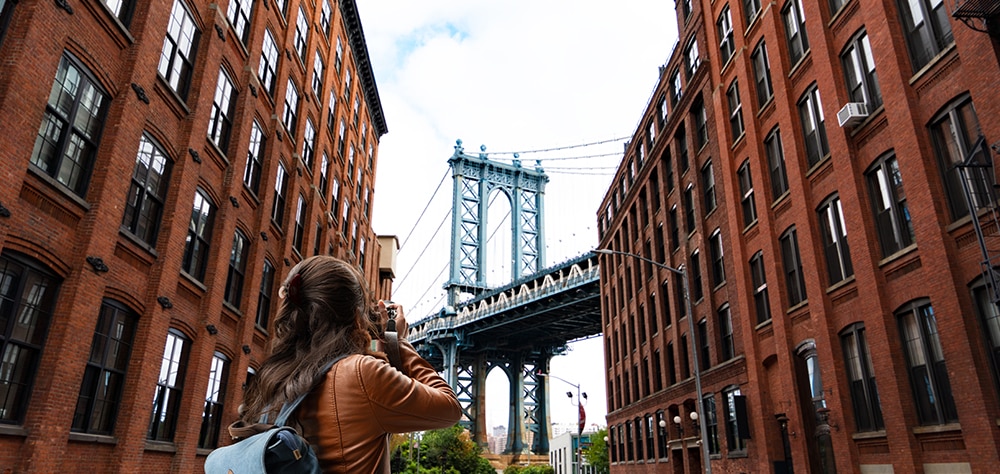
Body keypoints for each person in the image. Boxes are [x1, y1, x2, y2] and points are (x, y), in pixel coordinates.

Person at [237, 255, 461, 473]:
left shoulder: (272, 376)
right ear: (356, 316)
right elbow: (450, 408)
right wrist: (397, 341)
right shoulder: (362, 373)